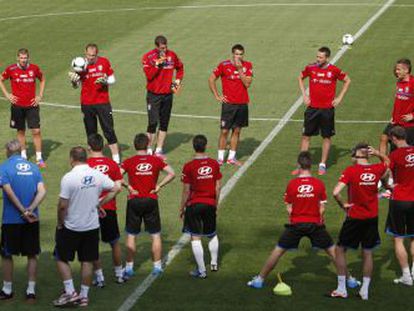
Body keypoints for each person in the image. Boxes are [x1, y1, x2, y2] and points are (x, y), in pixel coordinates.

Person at [247, 151, 335, 288]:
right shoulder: (319, 184)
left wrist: (294, 216)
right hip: (315, 224)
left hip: (296, 224)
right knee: (333, 252)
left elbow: (289, 207)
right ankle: (349, 279)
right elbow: (322, 208)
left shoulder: (292, 184)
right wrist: (320, 220)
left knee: (278, 251)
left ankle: (259, 279)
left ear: (298, 165)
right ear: (310, 165)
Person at [53, 147, 120, 307]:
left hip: (71, 226)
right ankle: (83, 296)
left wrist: (60, 223)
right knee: (87, 261)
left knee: (61, 257)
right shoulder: (97, 175)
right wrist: (99, 203)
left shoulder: (69, 178)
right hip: (91, 226)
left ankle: (70, 292)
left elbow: (62, 205)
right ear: (85, 158)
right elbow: (116, 187)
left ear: (72, 159)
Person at [330, 143, 388, 300]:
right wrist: (377, 153)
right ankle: (365, 290)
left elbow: (335, 192)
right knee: (367, 252)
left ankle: (342, 288)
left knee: (340, 249)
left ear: (356, 155)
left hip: (355, 217)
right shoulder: (377, 169)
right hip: (372, 218)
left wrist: (343, 205)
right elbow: (387, 163)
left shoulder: (351, 171)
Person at [121, 133, 175, 278]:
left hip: (134, 200)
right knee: (155, 235)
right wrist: (159, 186)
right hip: (151, 199)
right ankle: (157, 267)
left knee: (132, 235)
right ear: (148, 145)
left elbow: (116, 176)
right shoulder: (155, 160)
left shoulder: (129, 161)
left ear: (134, 145)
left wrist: (128, 186)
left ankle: (129, 267)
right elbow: (172, 173)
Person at [292, 47, 351, 175]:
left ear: (327, 58)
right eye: (317, 56)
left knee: (326, 137)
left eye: (320, 57)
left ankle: (322, 164)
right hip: (312, 109)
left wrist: (340, 97)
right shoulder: (311, 68)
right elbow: (300, 77)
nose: (317, 59)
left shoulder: (334, 70)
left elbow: (347, 80)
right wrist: (304, 95)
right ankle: (301, 165)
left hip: (327, 110)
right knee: (306, 136)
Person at [0, 139, 46, 301]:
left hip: (11, 219)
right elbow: (42, 191)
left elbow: (9, 191)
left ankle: (7, 290)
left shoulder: (4, 167)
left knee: (6, 254)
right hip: (32, 219)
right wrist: (31, 209)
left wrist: (22, 211)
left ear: (8, 152)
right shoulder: (34, 168)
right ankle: (31, 291)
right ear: (21, 151)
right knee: (32, 254)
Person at [68, 43, 121, 164]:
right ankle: (93, 159)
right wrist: (74, 82)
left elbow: (113, 79)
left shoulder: (104, 62)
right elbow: (76, 86)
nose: (91, 58)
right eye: (88, 55)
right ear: (85, 53)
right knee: (91, 132)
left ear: (97, 54)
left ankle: (116, 160)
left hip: (103, 103)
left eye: (93, 55)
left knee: (109, 130)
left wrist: (105, 81)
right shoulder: (80, 64)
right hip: (87, 104)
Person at [180, 135, 221, 279]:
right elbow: (218, 186)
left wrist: (182, 207)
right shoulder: (214, 164)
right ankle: (214, 263)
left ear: (193, 146)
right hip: (210, 203)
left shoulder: (189, 166)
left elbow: (186, 190)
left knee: (195, 236)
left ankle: (202, 270)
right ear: (206, 145)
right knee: (211, 233)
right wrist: (216, 202)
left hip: (195, 204)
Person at [86, 134, 124, 286]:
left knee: (92, 243)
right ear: (103, 146)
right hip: (109, 208)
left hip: (90, 210)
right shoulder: (113, 164)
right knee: (114, 243)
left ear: (89, 146)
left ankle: (100, 278)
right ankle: (119, 275)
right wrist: (103, 202)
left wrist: (96, 203)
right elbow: (118, 188)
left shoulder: (85, 165)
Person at [0, 48, 46, 168]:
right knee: (20, 130)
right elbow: (1, 80)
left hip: (32, 105)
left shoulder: (34, 68)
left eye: (25, 58)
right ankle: (24, 155)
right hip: (17, 106)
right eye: (21, 58)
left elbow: (42, 79)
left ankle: (39, 158)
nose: (23, 60)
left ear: (28, 58)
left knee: (36, 130)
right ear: (17, 58)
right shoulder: (11, 69)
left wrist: (39, 95)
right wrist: (7, 95)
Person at [209, 44, 253, 166]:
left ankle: (231, 158)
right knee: (224, 131)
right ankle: (220, 158)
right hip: (229, 105)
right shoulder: (224, 65)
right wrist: (217, 95)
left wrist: (240, 70)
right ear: (232, 54)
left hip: (242, 103)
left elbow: (247, 84)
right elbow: (211, 78)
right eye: (237, 54)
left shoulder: (247, 65)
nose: (239, 56)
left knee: (237, 131)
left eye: (241, 54)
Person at [142, 35, 184, 158]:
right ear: (156, 47)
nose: (164, 50)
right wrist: (157, 65)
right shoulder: (148, 57)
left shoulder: (172, 55)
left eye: (165, 47)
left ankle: (159, 150)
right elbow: (149, 76)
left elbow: (180, 68)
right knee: (152, 122)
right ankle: (149, 148)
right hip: (153, 95)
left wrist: (177, 82)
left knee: (164, 122)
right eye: (161, 48)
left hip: (167, 94)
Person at [385, 126, 414, 286]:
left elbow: (384, 175)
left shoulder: (394, 155)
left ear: (395, 138)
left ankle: (406, 276)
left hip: (400, 199)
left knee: (398, 239)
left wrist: (389, 186)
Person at [380, 59, 414, 154]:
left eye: (398, 69)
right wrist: (393, 116)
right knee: (384, 138)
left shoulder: (413, 83)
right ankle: (385, 165)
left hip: (407, 125)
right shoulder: (399, 82)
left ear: (406, 70)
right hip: (395, 121)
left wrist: (412, 116)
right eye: (396, 69)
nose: (396, 72)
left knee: (401, 150)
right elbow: (399, 102)